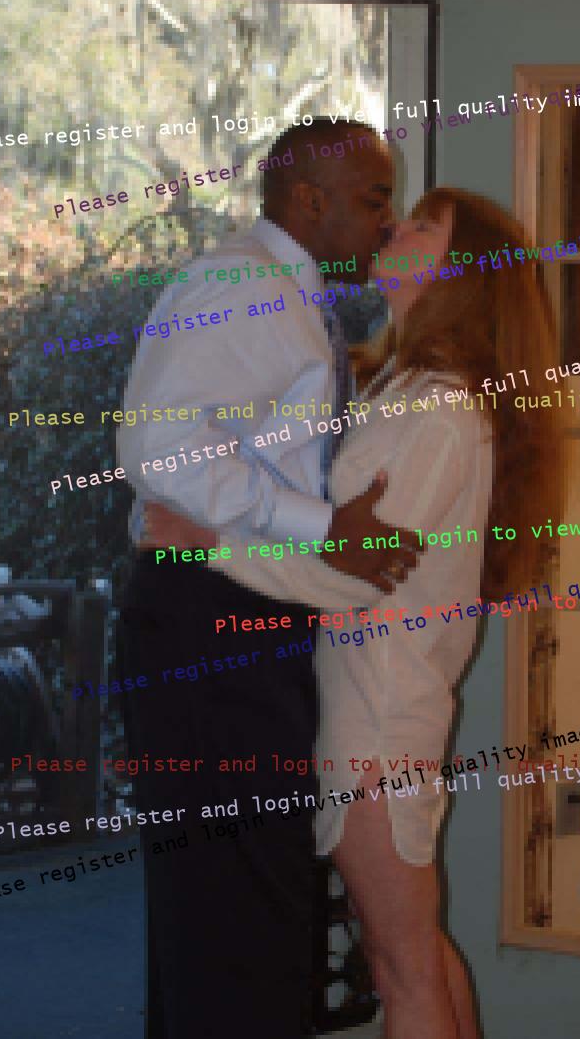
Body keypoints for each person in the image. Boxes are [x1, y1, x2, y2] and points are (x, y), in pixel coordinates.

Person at [142, 187, 570, 1039]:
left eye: (423, 226)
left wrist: (206, 543)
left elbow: (352, 575)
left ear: (459, 272)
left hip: (378, 726)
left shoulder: (436, 409)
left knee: (402, 967)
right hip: (380, 713)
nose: (395, 227)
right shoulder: (411, 389)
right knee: (416, 953)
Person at [115, 119, 424, 1039]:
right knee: (238, 921)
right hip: (209, 624)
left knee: (235, 916)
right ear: (309, 200)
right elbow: (158, 446)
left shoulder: (294, 297)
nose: (387, 220)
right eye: (374, 199)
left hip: (238, 620)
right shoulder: (246, 283)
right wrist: (322, 528)